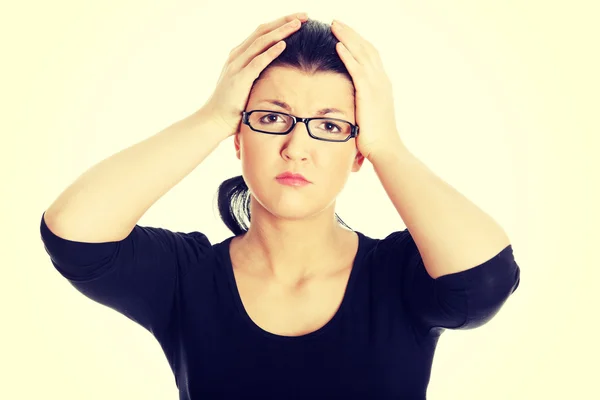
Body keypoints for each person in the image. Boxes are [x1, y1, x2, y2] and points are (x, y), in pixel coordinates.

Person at [39, 12, 521, 399]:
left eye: (330, 126)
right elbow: (74, 235)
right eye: (272, 117)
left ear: (358, 151)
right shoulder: (186, 277)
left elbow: (486, 281)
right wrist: (211, 117)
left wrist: (389, 146)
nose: (296, 146)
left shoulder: (399, 276)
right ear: (238, 136)